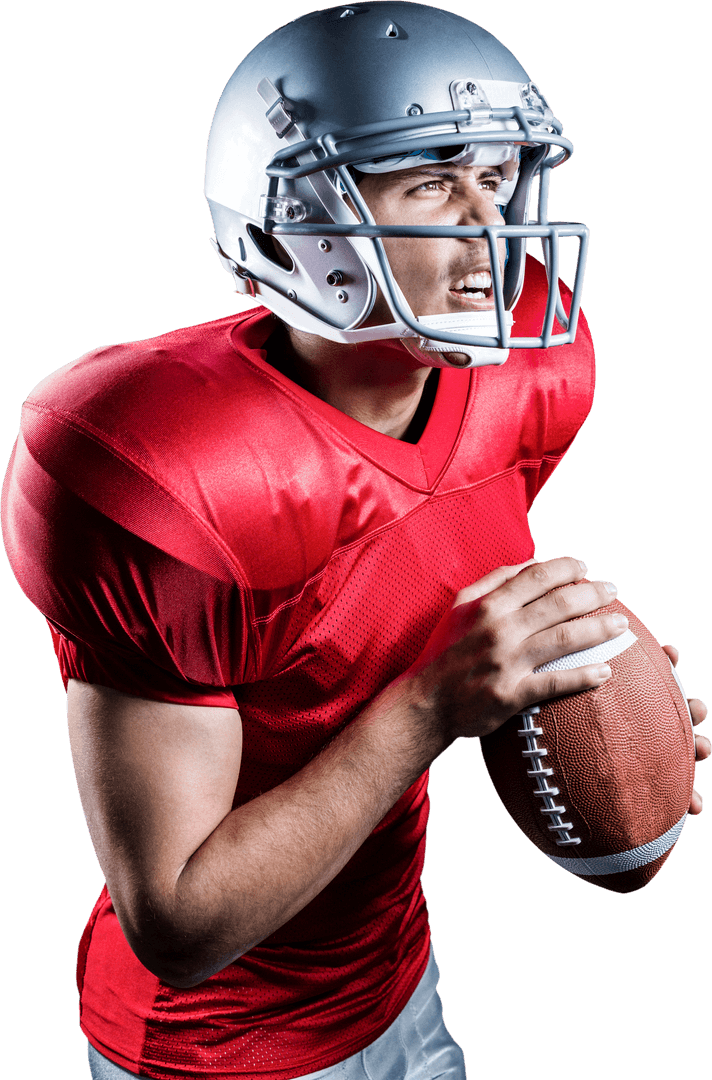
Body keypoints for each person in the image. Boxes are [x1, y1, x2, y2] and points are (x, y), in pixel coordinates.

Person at [1, 4, 707, 1080]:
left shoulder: (524, 377)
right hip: (214, 1054)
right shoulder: (174, 472)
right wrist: (433, 708)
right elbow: (178, 923)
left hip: (394, 980)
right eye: (431, 181)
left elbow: (399, 587)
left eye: (498, 175)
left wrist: (564, 690)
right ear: (300, 225)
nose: (490, 225)